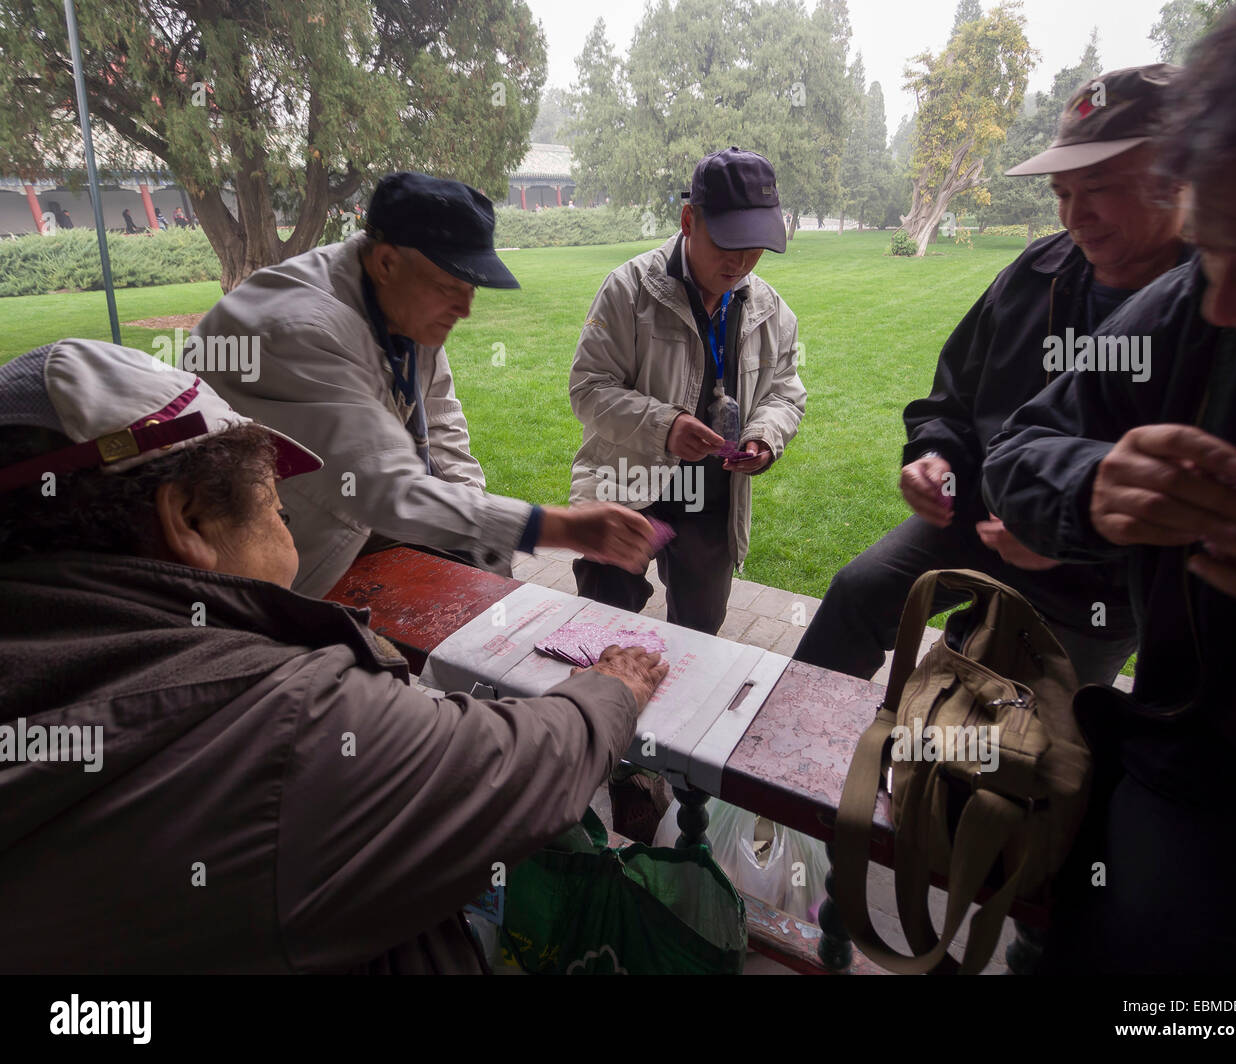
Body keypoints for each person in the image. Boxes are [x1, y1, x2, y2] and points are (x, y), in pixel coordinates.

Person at [0, 338, 668, 974]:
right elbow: (522, 765)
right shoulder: (288, 721)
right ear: (190, 519)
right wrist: (613, 686)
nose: (286, 511)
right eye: (266, 484)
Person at [982, 0, 1236, 973]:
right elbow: (1016, 442)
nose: (1221, 300)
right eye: (1212, 251)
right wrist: (1093, 486)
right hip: (1196, 764)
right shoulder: (1187, 310)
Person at [794, 65, 1192, 690]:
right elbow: (955, 393)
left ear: (1174, 173)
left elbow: (1208, 507)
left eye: (1100, 186)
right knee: (858, 593)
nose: (1075, 214)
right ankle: (785, 756)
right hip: (977, 513)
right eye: (1062, 191)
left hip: (1099, 579)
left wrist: (1070, 533)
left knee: (1010, 724)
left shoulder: (1218, 306)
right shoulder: (1041, 269)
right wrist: (934, 454)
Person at [194, 172, 654, 598]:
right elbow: (384, 491)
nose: (465, 309)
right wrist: (559, 528)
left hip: (345, 511)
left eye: (472, 289)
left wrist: (481, 546)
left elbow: (440, 424)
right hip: (254, 558)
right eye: (451, 286)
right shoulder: (298, 331)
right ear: (387, 262)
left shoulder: (403, 305)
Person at [568, 147, 807, 636]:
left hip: (711, 501)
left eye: (756, 245)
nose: (741, 261)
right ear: (687, 220)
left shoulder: (770, 309)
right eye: (727, 242)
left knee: (699, 633)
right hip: (626, 483)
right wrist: (666, 426)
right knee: (602, 621)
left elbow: (785, 392)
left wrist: (763, 438)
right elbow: (588, 390)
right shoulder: (628, 290)